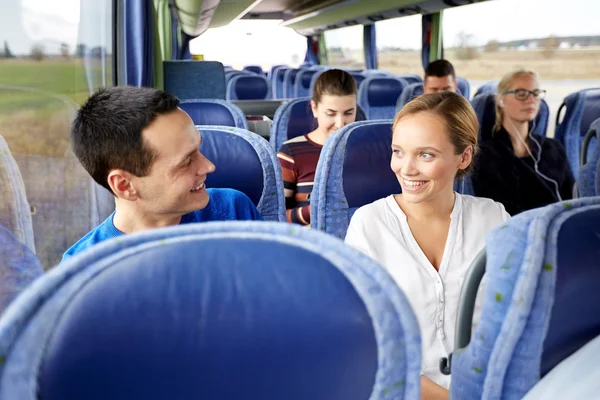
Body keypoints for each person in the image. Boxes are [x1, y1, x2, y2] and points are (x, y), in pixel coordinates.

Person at [344, 92, 510, 397]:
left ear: (464, 157)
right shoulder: (369, 225)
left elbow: (516, 319)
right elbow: (365, 344)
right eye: (398, 152)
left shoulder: (493, 217)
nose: (406, 168)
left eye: (426, 155)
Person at [62, 86, 262, 261]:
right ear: (125, 185)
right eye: (186, 162)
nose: (209, 166)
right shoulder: (84, 272)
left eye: (199, 149)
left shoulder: (234, 211)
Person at [471, 69, 574, 215]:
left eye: (535, 93)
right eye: (521, 94)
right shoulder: (485, 155)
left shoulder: (554, 148)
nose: (531, 99)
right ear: (501, 100)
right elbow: (499, 212)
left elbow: (572, 198)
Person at [277, 69, 357, 226]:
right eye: (331, 113)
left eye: (348, 113)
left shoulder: (367, 150)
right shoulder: (291, 153)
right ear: (314, 108)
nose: (340, 123)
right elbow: (276, 217)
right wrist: (316, 209)